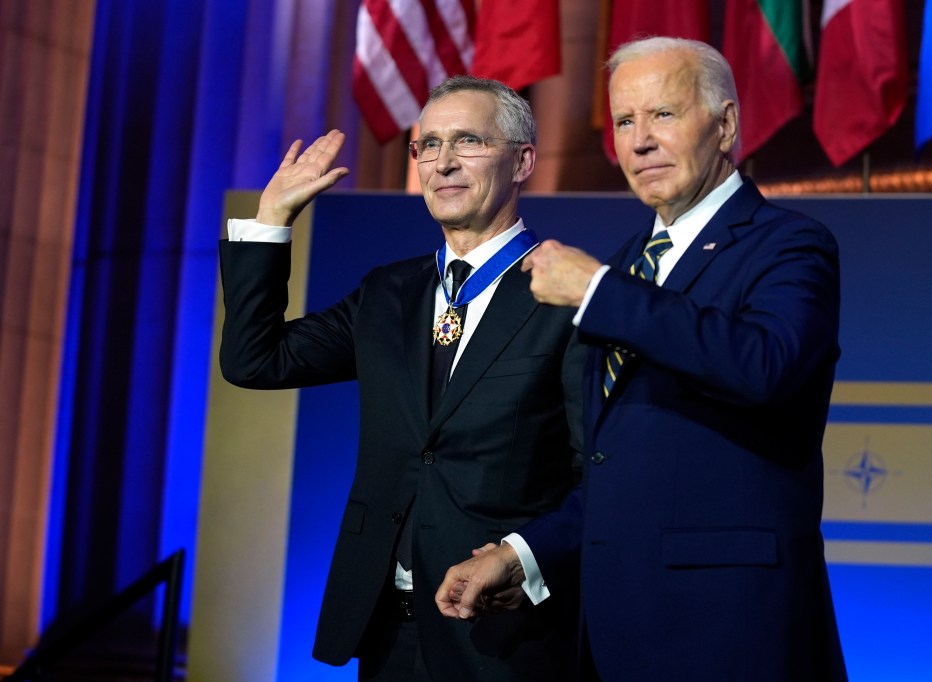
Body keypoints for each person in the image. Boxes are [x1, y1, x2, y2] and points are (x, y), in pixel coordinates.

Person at [435, 37, 848, 681]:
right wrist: (523, 555)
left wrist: (599, 292)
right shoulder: (628, 262)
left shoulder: (788, 245)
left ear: (726, 123)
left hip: (731, 632)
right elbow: (615, 466)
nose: (640, 141)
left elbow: (765, 366)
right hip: (612, 631)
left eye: (663, 115)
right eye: (625, 121)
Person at [219, 75, 583, 680]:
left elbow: (597, 471)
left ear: (522, 161)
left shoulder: (568, 293)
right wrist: (271, 220)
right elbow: (256, 359)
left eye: (467, 141)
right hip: (385, 629)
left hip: (506, 636)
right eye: (427, 145)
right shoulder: (389, 292)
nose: (441, 162)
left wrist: (522, 557)